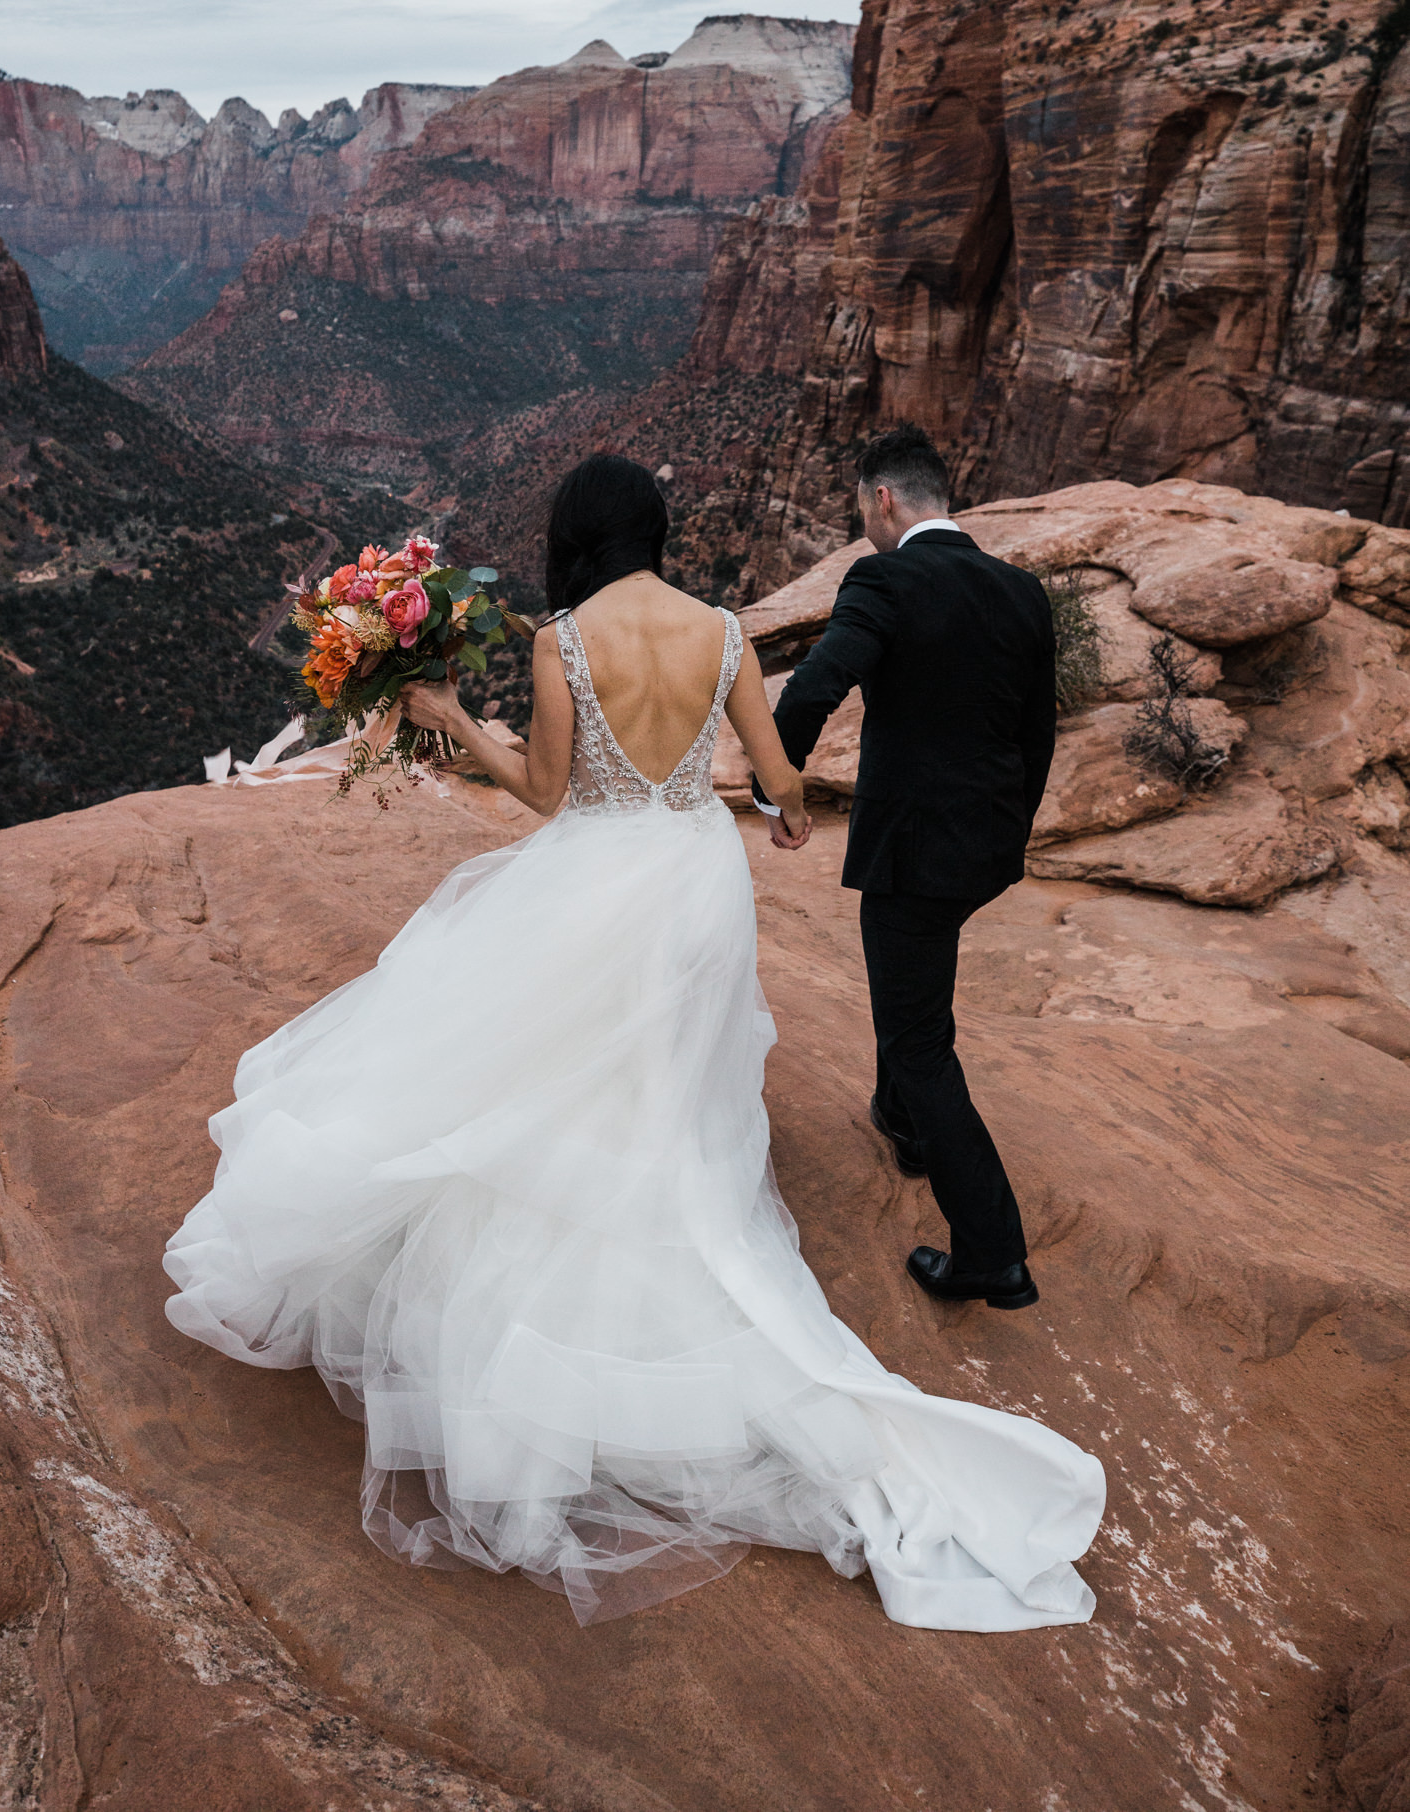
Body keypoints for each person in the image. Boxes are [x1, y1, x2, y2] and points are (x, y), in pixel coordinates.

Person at [163, 453, 1102, 1629]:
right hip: (693, 873)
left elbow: (549, 795)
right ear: (656, 530)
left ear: (578, 535)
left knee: (546, 1060)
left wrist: (453, 721)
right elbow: (776, 779)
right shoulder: (719, 632)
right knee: (670, 1082)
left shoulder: (562, 638)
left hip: (595, 873)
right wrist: (788, 818)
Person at [757, 421, 1055, 1311]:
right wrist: (1010, 831)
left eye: (862, 508)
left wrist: (779, 792)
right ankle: (903, 1124)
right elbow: (1036, 733)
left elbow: (815, 684)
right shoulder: (1021, 591)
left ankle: (991, 1253)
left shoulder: (883, 575)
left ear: (882, 499)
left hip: (913, 854)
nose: (864, 524)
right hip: (987, 847)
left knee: (920, 1036)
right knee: (915, 988)